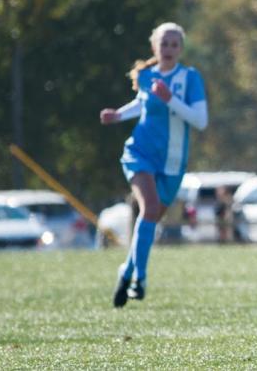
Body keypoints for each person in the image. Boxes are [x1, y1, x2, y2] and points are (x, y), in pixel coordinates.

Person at [100, 22, 208, 308]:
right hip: (141, 153)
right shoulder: (147, 76)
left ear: (181, 49)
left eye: (174, 44)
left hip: (172, 163)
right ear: (154, 47)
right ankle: (141, 278)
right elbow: (141, 105)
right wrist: (118, 116)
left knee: (148, 221)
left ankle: (128, 270)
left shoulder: (190, 78)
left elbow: (200, 120)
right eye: (164, 44)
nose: (169, 49)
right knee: (148, 209)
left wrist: (170, 99)